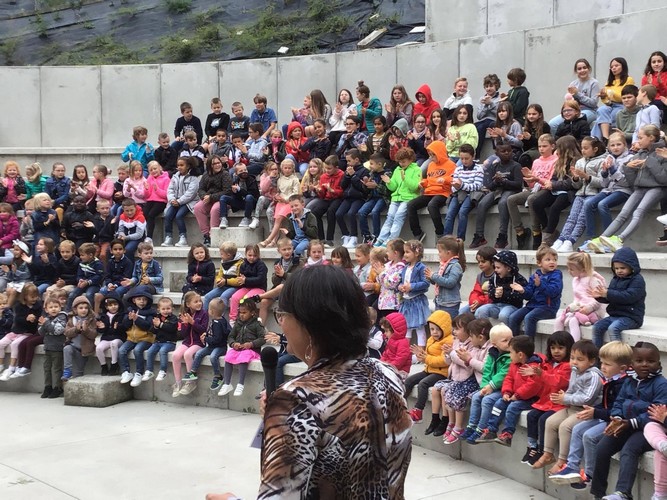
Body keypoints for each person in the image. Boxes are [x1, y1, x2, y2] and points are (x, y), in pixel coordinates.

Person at [206, 265, 412, 499]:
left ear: (309, 323)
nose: (280, 323)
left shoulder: (294, 399)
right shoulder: (387, 373)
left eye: (282, 315)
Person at [548, 340, 632, 489]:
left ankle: (588, 475)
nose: (602, 367)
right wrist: (593, 411)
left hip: (616, 422)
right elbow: (606, 405)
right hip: (604, 416)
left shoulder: (623, 385)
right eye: (602, 363)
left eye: (607, 364)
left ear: (622, 368)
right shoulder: (611, 380)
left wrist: (595, 412)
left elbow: (618, 411)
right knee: (578, 429)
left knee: (589, 436)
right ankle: (572, 466)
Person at [590, 342, 667, 500]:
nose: (645, 364)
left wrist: (631, 422)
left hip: (648, 429)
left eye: (650, 361)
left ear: (659, 364)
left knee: (629, 449)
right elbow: (619, 401)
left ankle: (623, 493)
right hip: (625, 423)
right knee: (603, 447)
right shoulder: (629, 381)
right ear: (632, 364)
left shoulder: (661, 384)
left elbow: (655, 413)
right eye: (639, 361)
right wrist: (617, 417)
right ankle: (598, 493)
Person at [533, 339, 603, 472]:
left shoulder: (593, 375)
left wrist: (566, 398)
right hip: (571, 407)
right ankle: (548, 454)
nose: (574, 362)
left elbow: (587, 398)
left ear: (592, 361)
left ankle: (562, 461)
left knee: (565, 427)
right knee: (550, 421)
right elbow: (571, 389)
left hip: (585, 411)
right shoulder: (575, 371)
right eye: (572, 358)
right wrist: (562, 397)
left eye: (580, 359)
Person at [474, 335, 543, 445]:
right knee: (499, 403)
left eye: (511, 352)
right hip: (514, 395)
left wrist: (517, 395)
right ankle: (491, 430)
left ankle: (507, 434)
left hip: (529, 399)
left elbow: (532, 386)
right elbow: (508, 379)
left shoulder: (533, 368)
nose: (509, 355)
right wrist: (506, 392)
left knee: (512, 407)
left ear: (520, 355)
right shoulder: (514, 364)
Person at [436, 317, 492, 443]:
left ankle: (459, 427)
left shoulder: (482, 348)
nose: (454, 332)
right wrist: (447, 354)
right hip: (457, 377)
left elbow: (474, 365)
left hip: (473, 380)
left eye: (457, 329)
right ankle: (450, 422)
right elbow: (449, 361)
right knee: (445, 390)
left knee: (458, 395)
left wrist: (465, 358)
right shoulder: (458, 342)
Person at [522, 330, 574, 466]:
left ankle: (543, 450)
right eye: (553, 348)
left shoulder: (568, 366)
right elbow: (541, 384)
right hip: (545, 402)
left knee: (544, 419)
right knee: (532, 415)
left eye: (560, 348)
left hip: (559, 404)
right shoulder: (548, 364)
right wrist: (534, 375)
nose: (556, 351)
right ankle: (532, 446)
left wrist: (541, 374)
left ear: (569, 349)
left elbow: (558, 382)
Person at [461, 323, 512, 444]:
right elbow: (487, 371)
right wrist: (484, 387)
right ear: (494, 344)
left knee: (487, 400)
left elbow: (503, 375)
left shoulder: (511, 356)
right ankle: (472, 426)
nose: (510, 343)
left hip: (504, 389)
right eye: (505, 340)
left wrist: (491, 386)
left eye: (511, 339)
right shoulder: (492, 354)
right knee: (476, 396)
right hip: (491, 386)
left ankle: (481, 430)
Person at [508, 134, 557, 250]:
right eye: (540, 146)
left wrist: (536, 179)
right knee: (511, 199)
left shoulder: (555, 160)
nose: (541, 149)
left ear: (553, 146)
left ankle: (536, 233)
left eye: (545, 146)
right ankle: (520, 232)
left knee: (531, 199)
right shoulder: (536, 162)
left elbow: (550, 182)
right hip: (535, 188)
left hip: (546, 190)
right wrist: (529, 177)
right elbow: (531, 184)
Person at [591, 247, 645, 348]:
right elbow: (611, 297)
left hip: (631, 317)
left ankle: (617, 356)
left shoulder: (637, 280)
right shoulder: (616, 279)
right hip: (615, 315)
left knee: (613, 328)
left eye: (622, 268)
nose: (619, 271)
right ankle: (595, 358)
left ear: (632, 266)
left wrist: (607, 293)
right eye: (616, 268)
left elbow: (629, 297)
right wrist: (600, 296)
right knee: (597, 327)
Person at [404, 310, 452, 423]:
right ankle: (400, 406)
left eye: (437, 329)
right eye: (432, 329)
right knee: (409, 381)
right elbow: (428, 356)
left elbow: (443, 361)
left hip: (441, 372)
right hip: (429, 369)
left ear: (444, 328)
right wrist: (421, 355)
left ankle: (418, 410)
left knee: (423, 384)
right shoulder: (431, 339)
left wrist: (426, 358)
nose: (434, 332)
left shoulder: (448, 341)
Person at [508, 245, 563, 338]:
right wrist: (522, 290)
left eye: (554, 260)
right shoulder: (535, 275)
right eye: (548, 259)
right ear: (539, 263)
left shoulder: (556, 275)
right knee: (513, 317)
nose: (552, 262)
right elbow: (528, 295)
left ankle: (528, 346)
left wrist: (540, 285)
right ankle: (515, 344)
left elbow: (554, 292)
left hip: (548, 308)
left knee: (529, 318)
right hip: (533, 305)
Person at [407, 141, 455, 241]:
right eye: (430, 154)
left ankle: (440, 233)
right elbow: (429, 180)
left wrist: (445, 180)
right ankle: (418, 233)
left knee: (432, 205)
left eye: (434, 154)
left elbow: (454, 179)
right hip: (430, 192)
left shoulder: (451, 165)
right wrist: (423, 182)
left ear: (440, 152)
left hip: (443, 192)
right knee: (411, 205)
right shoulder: (431, 165)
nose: (432, 157)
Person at [372, 148, 421, 248]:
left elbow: (415, 187)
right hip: (396, 198)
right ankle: (381, 239)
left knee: (398, 217)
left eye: (404, 161)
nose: (401, 164)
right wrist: (388, 182)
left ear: (410, 159)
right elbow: (393, 187)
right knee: (390, 217)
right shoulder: (397, 170)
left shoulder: (416, 169)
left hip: (408, 198)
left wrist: (405, 178)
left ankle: (391, 240)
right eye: (399, 162)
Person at [217, 298, 264, 397]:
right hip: (239, 349)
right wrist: (233, 344)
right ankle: (227, 383)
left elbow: (262, 339)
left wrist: (251, 344)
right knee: (229, 356)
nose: (241, 315)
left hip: (252, 350)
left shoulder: (257, 324)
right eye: (240, 312)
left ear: (252, 313)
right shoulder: (238, 324)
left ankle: (240, 384)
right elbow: (230, 336)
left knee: (244, 357)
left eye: (244, 312)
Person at [554, 252, 606, 341]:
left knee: (573, 321)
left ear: (583, 269)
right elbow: (577, 298)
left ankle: (574, 346)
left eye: (572, 269)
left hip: (594, 312)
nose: (569, 271)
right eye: (568, 268)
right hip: (580, 309)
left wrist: (588, 308)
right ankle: (556, 342)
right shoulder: (576, 280)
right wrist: (573, 307)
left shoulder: (593, 280)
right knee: (559, 319)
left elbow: (600, 300)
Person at [182, 298, 231, 392]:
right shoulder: (215, 320)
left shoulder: (218, 323)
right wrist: (207, 334)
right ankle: (193, 371)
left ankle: (218, 376)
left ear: (211, 312)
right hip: (212, 346)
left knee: (213, 357)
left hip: (220, 347)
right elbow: (212, 332)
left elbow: (217, 339)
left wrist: (206, 339)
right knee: (199, 353)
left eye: (208, 309)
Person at [0, 284, 41, 380]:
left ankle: (11, 367)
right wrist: (26, 319)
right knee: (1, 343)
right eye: (32, 296)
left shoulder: (38, 306)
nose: (34, 299)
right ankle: (1, 365)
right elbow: (17, 319)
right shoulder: (18, 305)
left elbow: (38, 320)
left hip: (27, 333)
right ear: (25, 296)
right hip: (16, 331)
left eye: (36, 296)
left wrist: (34, 319)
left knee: (15, 344)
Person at [443, 144, 484, 241]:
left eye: (467, 158)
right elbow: (454, 186)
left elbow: (477, 186)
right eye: (462, 158)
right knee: (449, 214)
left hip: (471, 195)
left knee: (462, 212)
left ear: (473, 157)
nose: (464, 161)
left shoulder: (478, 169)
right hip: (458, 194)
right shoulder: (458, 169)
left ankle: (460, 239)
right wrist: (456, 186)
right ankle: (446, 239)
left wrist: (462, 185)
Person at [474, 250, 526, 325]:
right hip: (496, 305)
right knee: (480, 311)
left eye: (498, 268)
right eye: (495, 267)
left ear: (508, 268)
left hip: (512, 306)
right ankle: (485, 333)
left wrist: (504, 294)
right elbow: (490, 293)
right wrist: (495, 293)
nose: (495, 270)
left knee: (503, 315)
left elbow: (520, 296)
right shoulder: (494, 278)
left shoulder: (519, 279)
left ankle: (506, 335)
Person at [548, 58, 600, 132]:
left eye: (584, 68)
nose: (582, 70)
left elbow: (593, 103)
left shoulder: (594, 83)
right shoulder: (573, 84)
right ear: (576, 71)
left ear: (588, 69)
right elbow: (569, 103)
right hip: (572, 111)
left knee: (575, 121)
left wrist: (577, 94)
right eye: (579, 69)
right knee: (552, 124)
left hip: (590, 111)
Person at [118, 286, 155, 386]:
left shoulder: (150, 312)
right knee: (121, 350)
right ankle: (126, 372)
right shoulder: (130, 310)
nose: (142, 302)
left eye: (144, 299)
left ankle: (139, 373)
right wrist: (130, 319)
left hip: (145, 338)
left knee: (137, 350)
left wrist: (137, 319)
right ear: (134, 300)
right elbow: (125, 325)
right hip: (131, 338)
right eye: (139, 299)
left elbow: (147, 326)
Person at [173, 292, 208, 396]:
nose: (199, 303)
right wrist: (186, 324)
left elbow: (203, 330)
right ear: (188, 304)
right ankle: (178, 383)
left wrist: (193, 323)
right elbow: (183, 334)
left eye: (200, 301)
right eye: (196, 301)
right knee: (175, 355)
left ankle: (191, 382)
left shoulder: (204, 314)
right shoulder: (184, 315)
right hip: (187, 342)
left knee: (188, 354)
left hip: (199, 343)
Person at [592, 57, 635, 142]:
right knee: (601, 110)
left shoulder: (628, 79)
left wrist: (610, 93)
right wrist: (604, 97)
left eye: (616, 66)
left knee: (614, 114)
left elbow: (624, 95)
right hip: (611, 104)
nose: (614, 68)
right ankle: (605, 138)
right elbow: (606, 101)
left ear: (623, 66)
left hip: (622, 104)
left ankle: (596, 139)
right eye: (612, 67)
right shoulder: (609, 82)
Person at [398, 240, 431, 349]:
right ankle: (405, 350)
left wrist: (411, 286)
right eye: (404, 252)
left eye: (407, 252)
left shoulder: (421, 268)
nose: (405, 255)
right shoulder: (405, 268)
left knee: (419, 327)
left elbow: (426, 283)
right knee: (406, 327)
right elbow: (400, 281)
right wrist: (400, 287)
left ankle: (420, 351)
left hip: (416, 302)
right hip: (406, 302)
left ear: (416, 253)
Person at [162, 157, 200, 248]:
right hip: (175, 201)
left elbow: (191, 193)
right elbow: (170, 190)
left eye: (182, 165)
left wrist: (179, 201)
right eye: (178, 165)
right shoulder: (175, 177)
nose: (179, 167)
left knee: (179, 216)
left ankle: (183, 237)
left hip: (188, 202)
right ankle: (168, 237)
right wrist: (172, 200)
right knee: (168, 215)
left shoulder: (193, 178)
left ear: (188, 166)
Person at [426, 236, 465, 320]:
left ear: (448, 252)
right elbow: (439, 281)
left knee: (448, 327)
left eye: (440, 251)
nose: (438, 254)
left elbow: (450, 283)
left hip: (449, 304)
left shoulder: (455, 266)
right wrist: (430, 278)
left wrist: (434, 276)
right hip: (440, 302)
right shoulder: (444, 264)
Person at [143, 296, 179, 382]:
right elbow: (152, 331)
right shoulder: (157, 317)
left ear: (172, 309)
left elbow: (172, 328)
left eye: (168, 308)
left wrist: (160, 325)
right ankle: (149, 370)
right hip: (158, 341)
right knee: (150, 351)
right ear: (159, 309)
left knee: (163, 351)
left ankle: (163, 371)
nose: (166, 311)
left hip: (169, 342)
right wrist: (155, 326)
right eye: (163, 309)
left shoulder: (173, 318)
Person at [38, 296, 67, 398]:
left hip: (57, 348)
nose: (54, 309)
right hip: (48, 348)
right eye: (51, 307)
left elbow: (57, 331)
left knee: (57, 369)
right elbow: (40, 332)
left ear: (60, 307)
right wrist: (44, 325)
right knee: (47, 368)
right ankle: (48, 386)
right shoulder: (47, 319)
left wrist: (46, 324)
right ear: (46, 309)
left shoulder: (62, 317)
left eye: (56, 306)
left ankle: (58, 387)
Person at [61, 296, 96, 381]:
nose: (84, 310)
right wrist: (76, 329)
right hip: (73, 347)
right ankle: (67, 371)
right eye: (81, 308)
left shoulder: (91, 320)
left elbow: (93, 335)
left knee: (78, 373)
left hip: (83, 351)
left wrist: (86, 330)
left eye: (86, 308)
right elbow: (67, 332)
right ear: (75, 309)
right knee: (67, 349)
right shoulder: (71, 319)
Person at [94, 293, 125, 376]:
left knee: (114, 344)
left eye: (115, 304)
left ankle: (114, 364)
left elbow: (125, 327)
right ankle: (103, 366)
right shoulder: (103, 316)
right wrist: (101, 327)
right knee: (99, 348)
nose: (113, 307)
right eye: (110, 305)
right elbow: (101, 330)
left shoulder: (121, 315)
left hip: (118, 337)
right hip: (106, 337)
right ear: (107, 307)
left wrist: (118, 327)